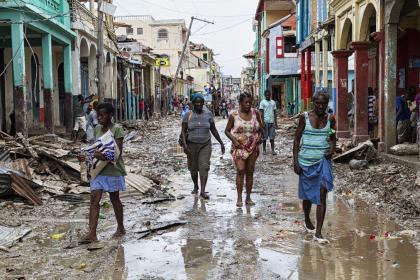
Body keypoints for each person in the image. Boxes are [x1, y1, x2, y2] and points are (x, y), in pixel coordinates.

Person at [78, 102, 127, 243]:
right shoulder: (98, 128)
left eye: (102, 115)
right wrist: (85, 155)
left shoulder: (117, 129)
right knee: (94, 200)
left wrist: (101, 155)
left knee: (114, 199)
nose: (99, 118)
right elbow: (95, 147)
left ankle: (120, 227)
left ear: (110, 115)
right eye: (98, 115)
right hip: (98, 169)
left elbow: (117, 153)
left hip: (113, 170)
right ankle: (92, 233)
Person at [293, 91, 336, 244]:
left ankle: (318, 232)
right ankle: (306, 218)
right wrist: (295, 162)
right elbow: (297, 139)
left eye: (323, 104)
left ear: (327, 104)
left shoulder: (330, 119)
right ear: (313, 103)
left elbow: (332, 138)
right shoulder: (305, 118)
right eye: (317, 103)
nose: (320, 106)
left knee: (322, 193)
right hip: (305, 162)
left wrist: (332, 149)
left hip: (322, 162)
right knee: (307, 196)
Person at [181, 94, 225, 199]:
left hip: (205, 144)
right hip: (191, 145)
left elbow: (213, 129)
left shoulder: (208, 114)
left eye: (201, 102)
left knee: (204, 167)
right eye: (196, 103)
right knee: (193, 168)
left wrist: (221, 142)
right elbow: (183, 131)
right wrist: (185, 145)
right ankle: (196, 185)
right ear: (192, 104)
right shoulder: (188, 115)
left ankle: (203, 190)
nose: (199, 105)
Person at [225, 93, 263, 207]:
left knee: (250, 172)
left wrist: (260, 138)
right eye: (246, 102)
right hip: (239, 147)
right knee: (240, 170)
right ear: (240, 103)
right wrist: (234, 141)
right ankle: (239, 197)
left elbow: (261, 128)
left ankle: (248, 198)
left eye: (250, 102)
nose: (248, 105)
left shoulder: (256, 113)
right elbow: (227, 131)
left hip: (253, 146)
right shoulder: (234, 115)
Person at [259, 90, 278, 155]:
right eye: (266, 95)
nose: (267, 96)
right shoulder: (262, 102)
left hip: (272, 122)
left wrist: (276, 122)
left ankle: (273, 150)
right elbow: (261, 113)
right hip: (265, 122)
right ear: (265, 95)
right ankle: (264, 150)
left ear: (270, 95)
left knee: (272, 138)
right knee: (264, 138)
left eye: (268, 95)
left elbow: (275, 113)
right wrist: (262, 122)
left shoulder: (273, 102)